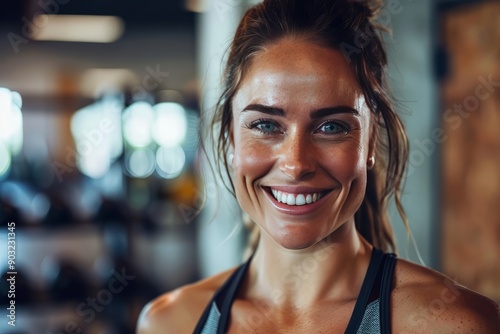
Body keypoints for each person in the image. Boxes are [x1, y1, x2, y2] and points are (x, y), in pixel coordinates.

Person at [137, 0, 500, 333]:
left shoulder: (451, 324)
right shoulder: (169, 323)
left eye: (331, 127)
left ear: (370, 142)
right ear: (232, 139)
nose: (295, 164)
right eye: (265, 125)